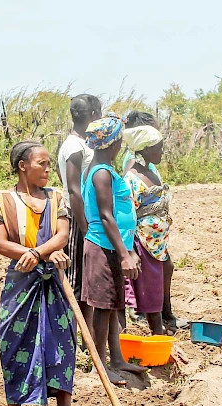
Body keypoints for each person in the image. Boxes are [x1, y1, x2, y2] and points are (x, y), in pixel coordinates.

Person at [0, 141, 79, 406]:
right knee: (14, 346)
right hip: (20, 284)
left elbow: (62, 235)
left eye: (50, 164)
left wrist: (40, 253)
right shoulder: (2, 201)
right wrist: (36, 254)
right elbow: (1, 244)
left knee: (61, 350)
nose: (48, 170)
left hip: (55, 283)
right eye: (42, 164)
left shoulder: (56, 198)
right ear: (23, 166)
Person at [82, 113, 148, 385]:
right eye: (119, 140)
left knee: (112, 307)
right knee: (103, 309)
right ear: (111, 144)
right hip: (102, 247)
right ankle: (101, 365)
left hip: (113, 247)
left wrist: (126, 250)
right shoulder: (100, 174)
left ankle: (116, 358)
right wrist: (124, 254)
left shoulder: (106, 170)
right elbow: (106, 216)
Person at [57, 94, 102, 328]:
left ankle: (86, 331)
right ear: (94, 116)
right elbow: (73, 190)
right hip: (77, 217)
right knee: (76, 277)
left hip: (84, 214)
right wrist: (85, 228)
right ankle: (72, 332)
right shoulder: (74, 147)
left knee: (86, 277)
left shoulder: (82, 144)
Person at [121, 124, 169, 335]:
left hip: (158, 243)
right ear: (146, 149)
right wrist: (131, 250)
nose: (161, 151)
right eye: (158, 147)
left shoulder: (151, 172)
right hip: (143, 242)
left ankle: (158, 331)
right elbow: (128, 215)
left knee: (155, 288)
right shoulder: (131, 177)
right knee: (150, 290)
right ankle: (156, 333)